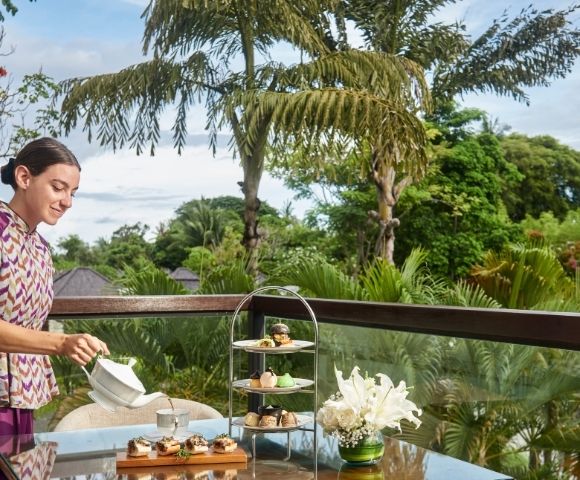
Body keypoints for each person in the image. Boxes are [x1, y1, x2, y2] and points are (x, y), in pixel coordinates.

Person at [0, 137, 109, 437]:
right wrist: (62, 344)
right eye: (58, 187)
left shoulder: (40, 248)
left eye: (73, 192)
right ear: (24, 177)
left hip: (21, 398)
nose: (67, 201)